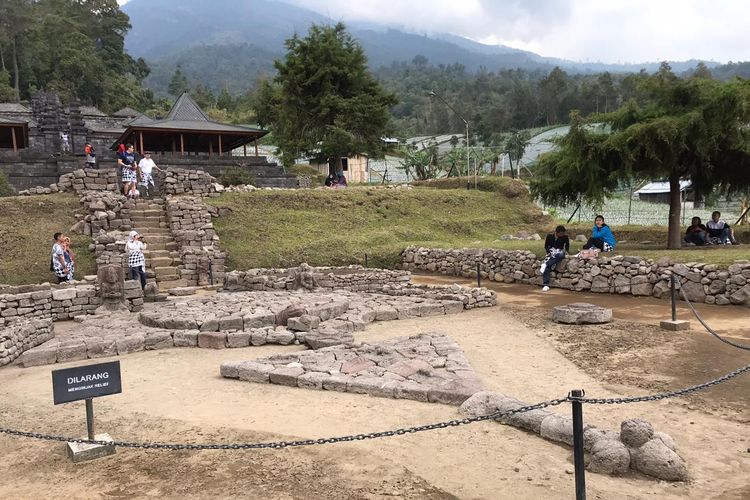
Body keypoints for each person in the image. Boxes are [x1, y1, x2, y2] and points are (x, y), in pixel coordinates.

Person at [540, 225, 570, 292]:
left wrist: (567, 251)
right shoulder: (549, 236)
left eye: (563, 233)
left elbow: (567, 245)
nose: (562, 235)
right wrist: (548, 253)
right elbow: (546, 246)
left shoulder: (565, 237)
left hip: (559, 252)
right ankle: (546, 284)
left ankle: (547, 264)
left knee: (560, 255)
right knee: (547, 267)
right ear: (557, 232)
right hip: (552, 252)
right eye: (561, 234)